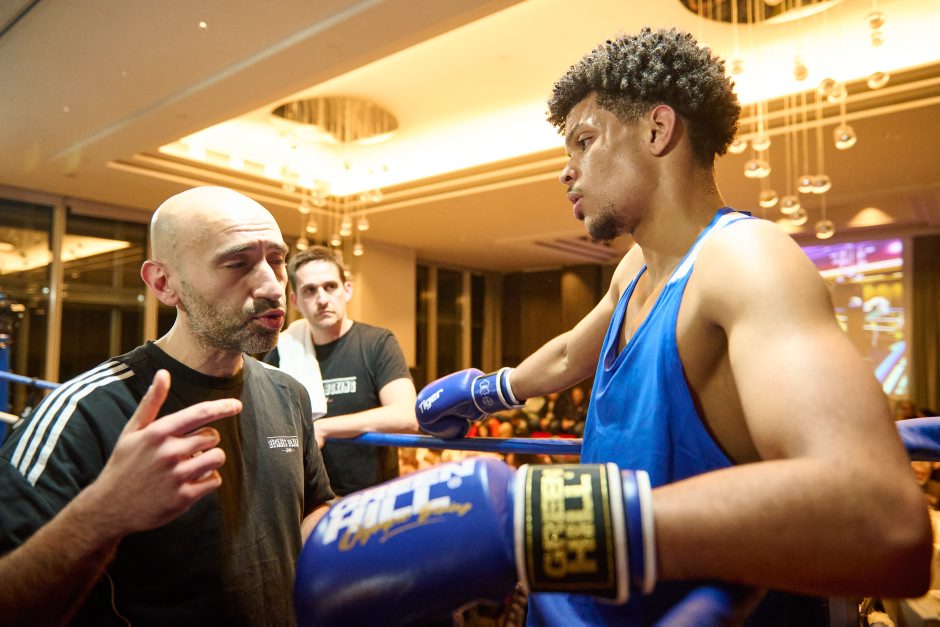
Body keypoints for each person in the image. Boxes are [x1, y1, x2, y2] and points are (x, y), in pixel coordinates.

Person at [412, 28, 930, 625]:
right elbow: (570, 355)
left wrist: (565, 525)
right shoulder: (636, 266)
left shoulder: (746, 259)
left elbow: (882, 518)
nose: (566, 172)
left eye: (584, 140)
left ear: (658, 130)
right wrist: (489, 391)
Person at [0, 186, 334, 625]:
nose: (273, 286)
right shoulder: (82, 412)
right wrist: (103, 515)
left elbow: (311, 508)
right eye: (237, 263)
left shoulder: (288, 393)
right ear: (163, 283)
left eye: (276, 259)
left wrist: (378, 533)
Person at [264, 245, 418, 495]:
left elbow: (407, 416)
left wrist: (323, 427)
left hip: (372, 498)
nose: (322, 299)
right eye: (310, 290)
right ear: (295, 301)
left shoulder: (377, 343)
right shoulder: (283, 351)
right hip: (307, 498)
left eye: (330, 286)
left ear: (347, 290)